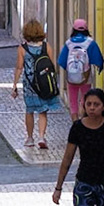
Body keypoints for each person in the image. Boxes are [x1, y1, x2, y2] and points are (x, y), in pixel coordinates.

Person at [13, 19, 65, 149]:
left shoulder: (22, 49)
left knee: (29, 111)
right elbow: (52, 66)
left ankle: (30, 138)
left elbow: (19, 67)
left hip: (30, 85)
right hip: (43, 83)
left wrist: (14, 85)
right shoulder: (46, 47)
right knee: (43, 111)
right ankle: (42, 137)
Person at [60, 18, 104, 118]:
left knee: (73, 101)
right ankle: (84, 122)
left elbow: (62, 61)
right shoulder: (90, 43)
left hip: (71, 77)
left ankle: (75, 123)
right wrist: (100, 66)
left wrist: (71, 70)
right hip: (86, 76)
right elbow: (97, 59)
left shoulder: (69, 43)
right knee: (85, 99)